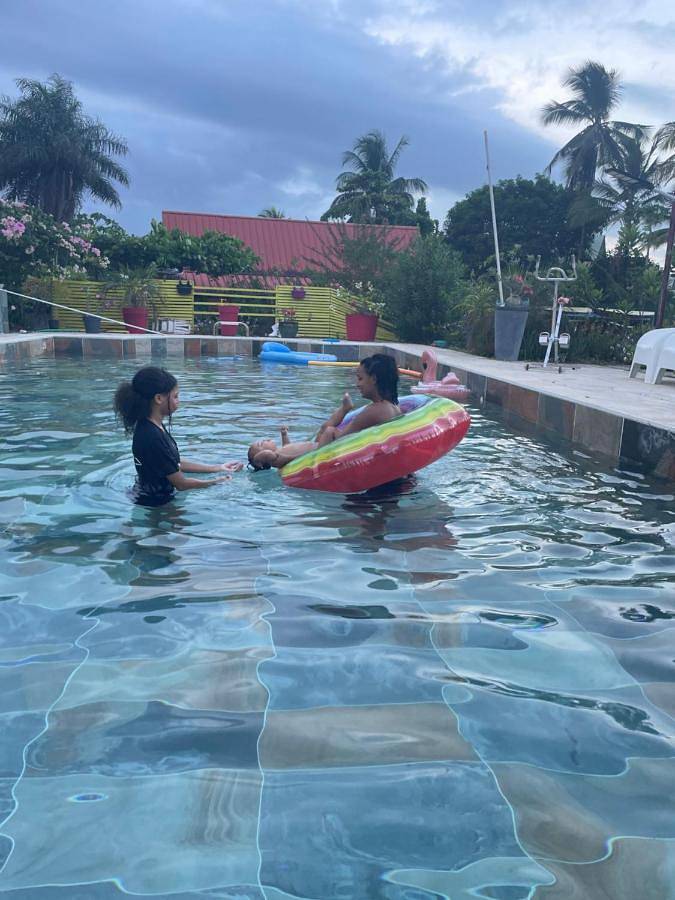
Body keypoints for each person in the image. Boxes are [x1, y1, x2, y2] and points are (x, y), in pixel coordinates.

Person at [114, 366, 242, 506]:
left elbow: (173, 462)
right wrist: (218, 482)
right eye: (175, 396)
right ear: (158, 398)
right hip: (155, 503)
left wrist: (217, 468)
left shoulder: (151, 425)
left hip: (148, 494)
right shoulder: (151, 435)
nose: (178, 401)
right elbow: (181, 484)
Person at [248, 393, 354, 470]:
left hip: (316, 445)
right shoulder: (275, 459)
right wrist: (258, 459)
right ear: (262, 457)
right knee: (329, 430)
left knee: (323, 428)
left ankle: (345, 409)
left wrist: (284, 435)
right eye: (261, 444)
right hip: (317, 452)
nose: (265, 439)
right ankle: (349, 434)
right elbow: (274, 457)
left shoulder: (281, 451)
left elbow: (288, 447)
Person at [318, 353, 400, 446]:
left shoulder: (375, 410)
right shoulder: (394, 407)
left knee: (328, 431)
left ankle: (344, 409)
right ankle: (345, 408)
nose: (357, 384)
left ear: (373, 379)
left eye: (360, 379)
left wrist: (330, 431)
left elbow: (339, 439)